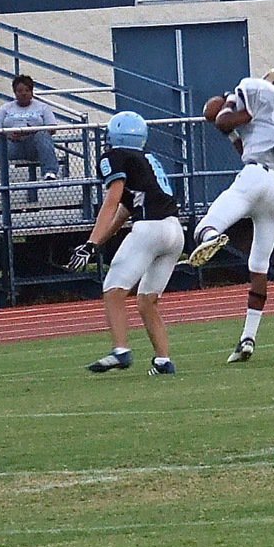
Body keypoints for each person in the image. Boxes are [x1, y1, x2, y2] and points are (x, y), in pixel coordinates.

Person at [187, 68, 274, 363]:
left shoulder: (257, 89)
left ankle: (212, 236)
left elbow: (220, 118)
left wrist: (227, 104)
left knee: (204, 226)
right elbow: (246, 141)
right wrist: (235, 132)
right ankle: (248, 337)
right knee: (259, 266)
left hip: (255, 175)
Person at [70, 111, 184, 376]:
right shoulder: (148, 159)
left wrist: (90, 243)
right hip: (174, 231)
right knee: (147, 301)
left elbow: (113, 200)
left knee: (113, 291)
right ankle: (163, 361)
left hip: (149, 229)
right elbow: (124, 210)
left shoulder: (115, 156)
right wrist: (97, 243)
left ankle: (120, 351)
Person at [0, 74, 62, 179]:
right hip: (12, 144)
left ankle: (50, 172)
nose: (23, 94)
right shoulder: (5, 108)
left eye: (27, 90)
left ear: (31, 92)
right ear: (15, 92)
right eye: (19, 91)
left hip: (34, 145)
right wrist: (8, 135)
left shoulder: (43, 107)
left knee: (43, 135)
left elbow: (52, 129)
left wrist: (32, 131)